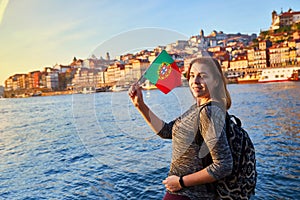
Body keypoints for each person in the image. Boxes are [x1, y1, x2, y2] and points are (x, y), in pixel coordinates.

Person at [128, 57, 233, 200]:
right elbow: (167, 131)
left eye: (203, 76)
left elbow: (224, 164)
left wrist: (181, 182)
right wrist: (140, 105)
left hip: (189, 194)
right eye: (192, 75)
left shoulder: (209, 112)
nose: (195, 81)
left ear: (215, 81)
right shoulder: (197, 109)